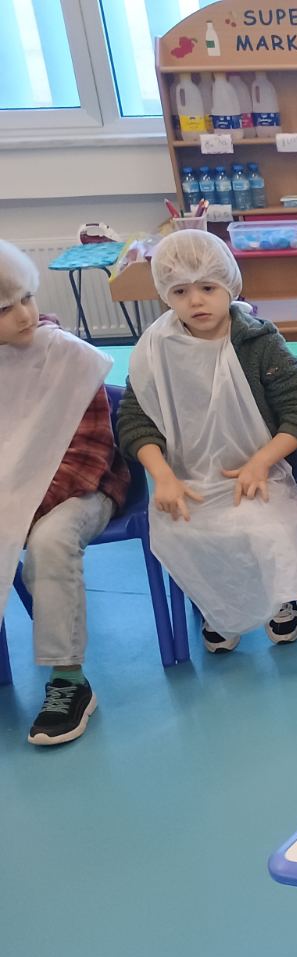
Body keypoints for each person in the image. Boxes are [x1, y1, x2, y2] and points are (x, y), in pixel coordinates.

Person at [118, 229, 297, 652]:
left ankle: (281, 597)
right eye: (180, 291)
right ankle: (217, 607)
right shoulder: (153, 350)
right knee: (189, 530)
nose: (195, 301)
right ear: (164, 294)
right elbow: (135, 419)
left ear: (229, 286)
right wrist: (162, 476)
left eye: (207, 288)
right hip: (187, 478)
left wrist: (260, 462)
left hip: (262, 467)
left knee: (265, 525)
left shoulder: (259, 342)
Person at [0, 240, 128, 746]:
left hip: (84, 492)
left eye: (27, 298)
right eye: (4, 310)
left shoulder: (67, 357)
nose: (24, 315)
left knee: (50, 543)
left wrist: (21, 512)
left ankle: (69, 681)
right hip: (13, 499)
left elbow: (88, 457)